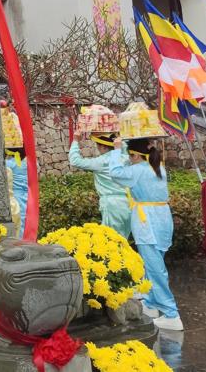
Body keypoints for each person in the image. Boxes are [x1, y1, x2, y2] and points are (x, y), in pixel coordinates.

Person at [108, 136, 183, 331]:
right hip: (162, 219)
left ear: (135, 155)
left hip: (146, 222)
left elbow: (115, 173)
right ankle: (151, 303)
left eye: (130, 155)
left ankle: (171, 313)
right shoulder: (157, 167)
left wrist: (117, 150)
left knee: (155, 269)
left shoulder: (138, 171)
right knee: (153, 265)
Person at [68, 130, 131, 238]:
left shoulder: (101, 162)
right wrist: (116, 134)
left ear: (103, 147)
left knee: (112, 240)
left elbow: (75, 161)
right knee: (123, 239)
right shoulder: (125, 158)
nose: (97, 147)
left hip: (111, 204)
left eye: (98, 145)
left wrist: (75, 141)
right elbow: (124, 146)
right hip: (127, 202)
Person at [5, 147, 27, 236]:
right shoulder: (26, 162)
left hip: (16, 198)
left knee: (19, 224)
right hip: (27, 196)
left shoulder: (8, 163)